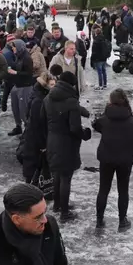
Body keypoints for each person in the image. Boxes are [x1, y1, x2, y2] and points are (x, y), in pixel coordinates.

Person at [92, 89, 133, 231]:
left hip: (106, 159)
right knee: (123, 190)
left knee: (103, 189)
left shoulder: (104, 120)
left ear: (111, 101)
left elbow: (95, 125)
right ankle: (122, 221)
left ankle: (99, 220)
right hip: (125, 161)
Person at [43, 71, 91, 222]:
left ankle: (57, 205)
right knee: (66, 178)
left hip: (52, 141)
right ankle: (64, 213)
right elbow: (75, 128)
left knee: (57, 174)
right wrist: (86, 134)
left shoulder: (47, 98)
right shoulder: (70, 100)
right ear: (71, 85)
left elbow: (41, 118)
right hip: (67, 144)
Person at [21, 73, 57, 182]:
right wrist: (43, 144)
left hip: (35, 139)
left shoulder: (39, 96)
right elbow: (37, 124)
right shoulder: (39, 101)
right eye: (52, 85)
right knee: (34, 169)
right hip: (35, 142)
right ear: (45, 85)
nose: (54, 87)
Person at [7, 39, 35, 137]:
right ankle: (18, 126)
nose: (13, 49)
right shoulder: (18, 56)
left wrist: (16, 73)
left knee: (24, 109)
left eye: (14, 47)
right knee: (15, 107)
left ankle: (28, 129)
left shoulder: (27, 58)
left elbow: (29, 73)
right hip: (17, 85)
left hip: (25, 86)